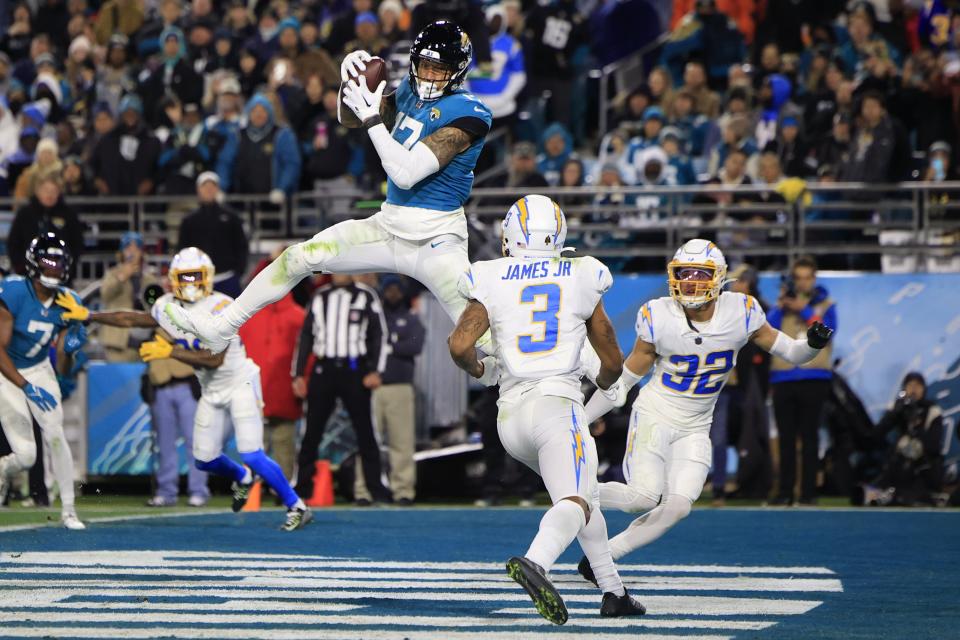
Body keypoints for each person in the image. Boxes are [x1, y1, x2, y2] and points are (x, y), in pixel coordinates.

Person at [164, 21, 493, 357]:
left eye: (440, 70)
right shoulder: (409, 91)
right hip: (390, 225)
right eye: (425, 65)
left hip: (436, 240)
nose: (430, 76)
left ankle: (523, 385)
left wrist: (371, 118)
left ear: (457, 71)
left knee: (485, 338)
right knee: (296, 258)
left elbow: (406, 173)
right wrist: (347, 83)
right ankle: (223, 327)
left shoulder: (472, 113)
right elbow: (350, 118)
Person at [578, 239, 833, 574]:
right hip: (656, 413)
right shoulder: (659, 314)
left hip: (697, 424)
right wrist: (582, 417)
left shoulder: (741, 311)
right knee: (641, 497)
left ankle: (603, 558)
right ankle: (574, 493)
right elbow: (625, 379)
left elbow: (793, 353)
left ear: (719, 278)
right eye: (684, 273)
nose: (691, 281)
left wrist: (812, 345)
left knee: (679, 506)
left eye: (701, 273)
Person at [448, 195, 645, 624]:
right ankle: (537, 562)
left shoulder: (490, 275)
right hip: (557, 406)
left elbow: (460, 345)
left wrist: (482, 370)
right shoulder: (582, 273)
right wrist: (608, 386)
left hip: (510, 418)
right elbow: (611, 359)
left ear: (510, 236)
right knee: (575, 497)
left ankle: (614, 592)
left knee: (583, 496)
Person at [56, 247, 313, 531]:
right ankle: (241, 476)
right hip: (210, 390)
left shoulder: (223, 307)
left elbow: (215, 359)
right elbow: (133, 318)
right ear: (174, 279)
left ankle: (296, 505)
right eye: (184, 277)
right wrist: (90, 315)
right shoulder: (167, 305)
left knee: (252, 452)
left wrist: (171, 352)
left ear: (208, 277)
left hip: (240, 382)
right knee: (204, 460)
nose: (190, 283)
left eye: (195, 276)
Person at [0, 233, 87, 529]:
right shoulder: (12, 292)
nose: (53, 269)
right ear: (33, 263)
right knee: (25, 456)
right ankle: (3, 468)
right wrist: (24, 385)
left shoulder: (69, 301)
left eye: (58, 263)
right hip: (7, 371)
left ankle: (69, 510)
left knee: (54, 433)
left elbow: (62, 367)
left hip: (40, 368)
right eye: (47, 262)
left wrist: (70, 350)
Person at [292, 274, 391, 505]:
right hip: (323, 369)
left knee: (366, 432)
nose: (340, 273)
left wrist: (376, 370)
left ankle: (377, 489)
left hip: (354, 369)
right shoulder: (320, 296)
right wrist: (297, 374)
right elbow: (305, 336)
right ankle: (302, 487)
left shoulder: (366, 296)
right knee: (311, 431)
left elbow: (379, 334)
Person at [767, 255, 837, 505]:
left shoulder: (826, 304)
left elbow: (826, 332)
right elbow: (765, 331)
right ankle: (785, 492)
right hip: (783, 378)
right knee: (785, 438)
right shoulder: (782, 307)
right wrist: (782, 305)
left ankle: (808, 494)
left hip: (814, 376)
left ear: (814, 279)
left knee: (809, 437)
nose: (803, 283)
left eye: (808, 278)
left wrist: (804, 310)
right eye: (799, 278)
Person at [354, 275, 425, 506]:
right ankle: (363, 491)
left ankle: (403, 490)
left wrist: (387, 343)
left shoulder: (410, 318)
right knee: (367, 442)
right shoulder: (375, 316)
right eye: (389, 289)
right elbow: (363, 344)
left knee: (401, 442)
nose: (393, 293)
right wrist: (393, 341)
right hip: (373, 387)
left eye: (397, 289)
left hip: (400, 387)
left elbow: (415, 345)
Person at [862, 372, 947, 506]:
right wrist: (894, 414)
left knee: (909, 495)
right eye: (910, 385)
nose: (914, 389)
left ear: (924, 389)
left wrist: (916, 426)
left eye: (918, 385)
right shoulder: (899, 408)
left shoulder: (932, 410)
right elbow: (876, 436)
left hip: (923, 466)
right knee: (868, 494)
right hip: (899, 464)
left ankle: (922, 496)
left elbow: (934, 445)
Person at [177, 172, 248, 298]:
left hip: (228, 278)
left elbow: (241, 245)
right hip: (199, 280)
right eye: (205, 186)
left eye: (212, 186)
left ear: (217, 189)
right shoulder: (189, 220)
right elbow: (183, 250)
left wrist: (238, 272)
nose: (209, 190)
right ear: (198, 189)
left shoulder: (231, 217)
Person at [7, 175, 84, 283]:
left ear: (59, 192)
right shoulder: (25, 214)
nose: (49, 194)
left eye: (53, 191)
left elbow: (77, 244)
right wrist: (21, 267)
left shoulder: (69, 214)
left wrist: (67, 268)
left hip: (60, 276)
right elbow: (14, 243)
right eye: (46, 190)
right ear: (38, 191)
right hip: (28, 276)